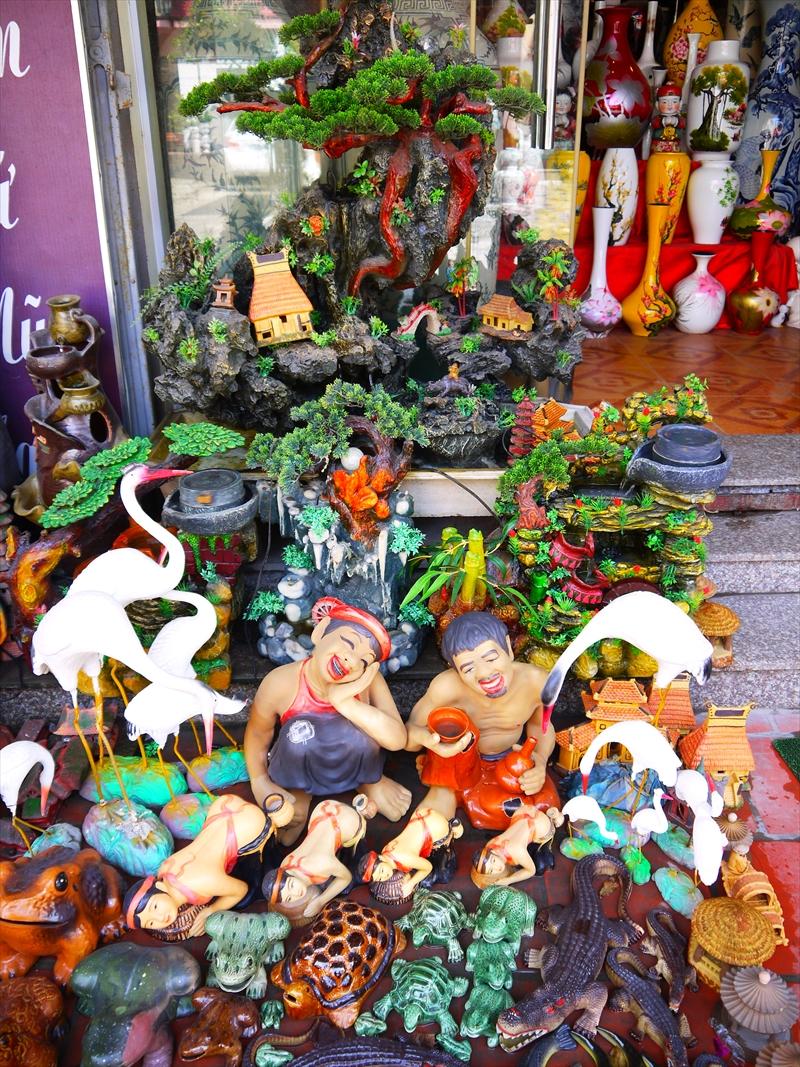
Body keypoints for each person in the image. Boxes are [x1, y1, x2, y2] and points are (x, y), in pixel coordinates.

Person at [244, 597, 410, 844]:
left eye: (364, 661)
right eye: (348, 643)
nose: (351, 660)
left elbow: (397, 740)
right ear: (321, 631)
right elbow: (258, 735)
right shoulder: (280, 683)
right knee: (299, 737)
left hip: (356, 764)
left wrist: (346, 703)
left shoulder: (367, 682)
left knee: (365, 730)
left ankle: (366, 782)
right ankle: (299, 791)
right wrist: (260, 781)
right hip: (301, 763)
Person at [405, 612, 557, 825]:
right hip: (459, 762)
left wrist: (540, 760)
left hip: (511, 761)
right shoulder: (446, 687)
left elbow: (541, 726)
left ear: (508, 647)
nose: (484, 673)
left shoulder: (536, 682)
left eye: (491, 658)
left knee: (543, 803)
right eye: (468, 668)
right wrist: (429, 740)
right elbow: (409, 737)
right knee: (438, 808)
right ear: (454, 669)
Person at [123, 793, 292, 939]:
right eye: (151, 923)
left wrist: (211, 910)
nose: (160, 918)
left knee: (245, 893)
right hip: (223, 806)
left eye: (155, 907)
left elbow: (241, 889)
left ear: (159, 886)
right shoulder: (164, 870)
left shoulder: (202, 882)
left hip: (249, 824)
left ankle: (273, 837)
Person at [262, 795, 375, 922]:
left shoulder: (322, 864)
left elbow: (346, 878)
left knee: (353, 862)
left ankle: (361, 816)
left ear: (289, 874)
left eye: (291, 885)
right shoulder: (284, 864)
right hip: (322, 809)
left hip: (345, 820)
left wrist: (321, 901)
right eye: (289, 898)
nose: (296, 893)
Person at [471, 802, 564, 888]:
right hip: (524, 811)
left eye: (494, 861)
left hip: (541, 825)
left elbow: (531, 871)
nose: (497, 868)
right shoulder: (489, 845)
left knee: (540, 866)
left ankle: (555, 819)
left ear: (493, 852)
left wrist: (509, 880)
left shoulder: (516, 850)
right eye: (491, 871)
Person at [651, 83, 685, 152]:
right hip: (659, 143)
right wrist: (663, 121)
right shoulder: (657, 118)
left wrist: (677, 121)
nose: (670, 105)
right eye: (664, 102)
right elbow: (654, 123)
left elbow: (683, 123)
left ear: (680, 103)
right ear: (657, 104)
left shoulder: (679, 118)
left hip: (675, 143)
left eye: (674, 101)